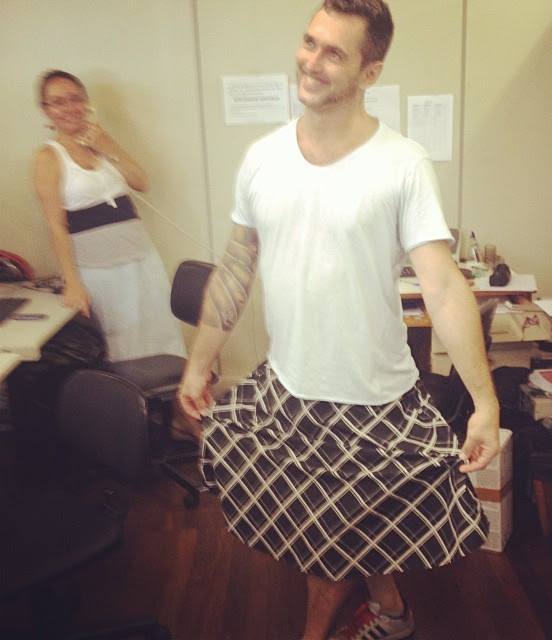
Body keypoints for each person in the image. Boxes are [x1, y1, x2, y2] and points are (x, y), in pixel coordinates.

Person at [180, 2, 500, 638]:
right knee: (345, 530)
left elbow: (442, 284)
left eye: (334, 52)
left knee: (329, 546)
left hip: (371, 395)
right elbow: (238, 265)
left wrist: (485, 401)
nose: (311, 61)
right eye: (309, 42)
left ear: (369, 71)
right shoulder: (262, 158)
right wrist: (198, 360)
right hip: (289, 386)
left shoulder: (402, 163)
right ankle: (394, 612)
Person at [33, 69, 186, 363]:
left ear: (86, 102)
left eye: (75, 99)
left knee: (158, 332)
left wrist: (107, 146)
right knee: (119, 342)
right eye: (58, 102)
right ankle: (128, 394)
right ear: (46, 110)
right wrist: (72, 282)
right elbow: (56, 225)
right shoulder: (48, 157)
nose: (69, 108)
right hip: (97, 269)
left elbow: (141, 182)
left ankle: (170, 390)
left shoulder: (101, 142)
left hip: (140, 259)